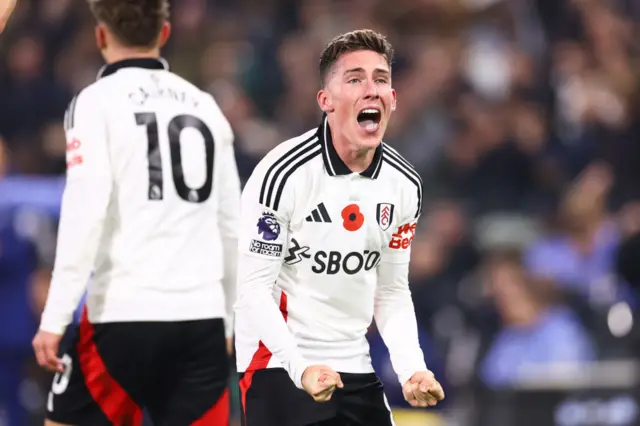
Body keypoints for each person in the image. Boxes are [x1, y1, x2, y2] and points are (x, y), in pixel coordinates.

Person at [31, 0, 240, 425]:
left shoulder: (95, 103)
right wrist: (232, 318)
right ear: (164, 35)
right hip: (199, 320)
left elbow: (84, 215)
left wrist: (55, 318)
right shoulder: (205, 106)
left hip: (123, 315)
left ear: (101, 36)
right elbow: (232, 226)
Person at [234, 29, 445, 426]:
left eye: (381, 79)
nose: (371, 89)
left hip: (355, 365)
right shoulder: (283, 175)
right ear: (326, 101)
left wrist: (411, 368)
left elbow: (392, 290)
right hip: (278, 364)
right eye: (354, 79)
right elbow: (252, 291)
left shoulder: (404, 185)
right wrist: (301, 368)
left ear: (393, 100)